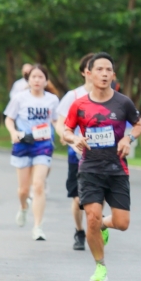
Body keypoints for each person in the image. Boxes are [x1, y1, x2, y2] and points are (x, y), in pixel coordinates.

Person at [62, 52, 141, 281]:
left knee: (122, 223)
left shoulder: (123, 102)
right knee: (92, 218)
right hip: (89, 169)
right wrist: (74, 139)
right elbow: (66, 130)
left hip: (117, 169)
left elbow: (139, 125)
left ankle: (104, 225)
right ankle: (100, 266)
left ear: (113, 74)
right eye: (99, 69)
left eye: (109, 70)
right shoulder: (79, 104)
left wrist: (128, 138)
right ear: (89, 73)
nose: (105, 74)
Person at [4, 64, 60, 241]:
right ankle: (23, 207)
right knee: (23, 190)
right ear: (28, 80)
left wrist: (64, 134)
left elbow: (56, 121)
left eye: (40, 77)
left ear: (46, 80)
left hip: (43, 145)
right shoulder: (19, 98)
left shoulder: (52, 100)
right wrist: (13, 132)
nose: (37, 80)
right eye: (33, 77)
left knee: (38, 185)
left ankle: (38, 227)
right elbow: (9, 119)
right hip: (23, 144)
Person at [54, 53, 95, 251]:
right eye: (92, 68)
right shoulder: (74, 96)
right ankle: (79, 231)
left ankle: (96, 228)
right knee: (78, 199)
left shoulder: (110, 97)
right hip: (77, 156)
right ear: (84, 72)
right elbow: (60, 124)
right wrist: (68, 138)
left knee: (97, 198)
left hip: (102, 157)